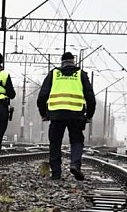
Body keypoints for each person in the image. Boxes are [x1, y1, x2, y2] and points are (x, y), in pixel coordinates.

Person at [36, 51, 96, 181]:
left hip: (56, 115)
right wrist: (89, 115)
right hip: (76, 114)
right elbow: (90, 97)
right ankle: (75, 165)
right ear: (73, 62)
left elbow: (42, 96)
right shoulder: (81, 74)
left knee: (55, 143)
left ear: (62, 62)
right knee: (76, 141)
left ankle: (56, 173)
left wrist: (43, 114)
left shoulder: (54, 74)